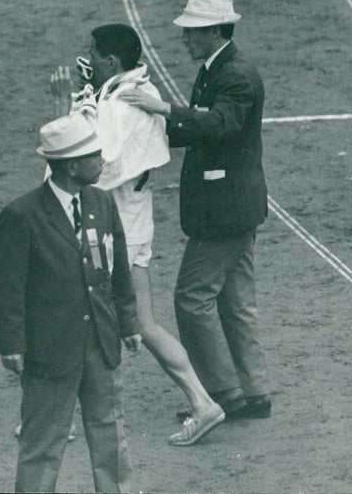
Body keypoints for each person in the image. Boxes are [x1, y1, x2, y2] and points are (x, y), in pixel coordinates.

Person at [49, 23, 225, 447]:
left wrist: (62, 107)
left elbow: (82, 163)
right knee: (136, 323)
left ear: (110, 61)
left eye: (91, 54)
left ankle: (58, 418)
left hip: (110, 232)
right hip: (131, 225)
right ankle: (202, 404)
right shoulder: (129, 92)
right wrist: (87, 98)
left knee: (83, 318)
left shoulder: (120, 106)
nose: (85, 61)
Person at [119, 0, 272, 421]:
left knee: (191, 299)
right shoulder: (219, 69)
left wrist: (163, 109)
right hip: (236, 206)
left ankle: (223, 393)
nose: (185, 40)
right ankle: (254, 392)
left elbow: (221, 124)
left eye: (192, 32)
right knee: (236, 301)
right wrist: (155, 130)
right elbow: (204, 126)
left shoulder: (234, 74)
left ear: (215, 31)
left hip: (223, 209)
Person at [0, 113, 142, 493]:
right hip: (49, 351)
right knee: (43, 445)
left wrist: (129, 323)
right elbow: (5, 287)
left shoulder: (102, 202)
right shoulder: (20, 216)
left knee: (112, 440)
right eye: (95, 154)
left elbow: (117, 269)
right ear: (72, 166)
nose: (103, 159)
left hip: (101, 344)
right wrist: (11, 345)